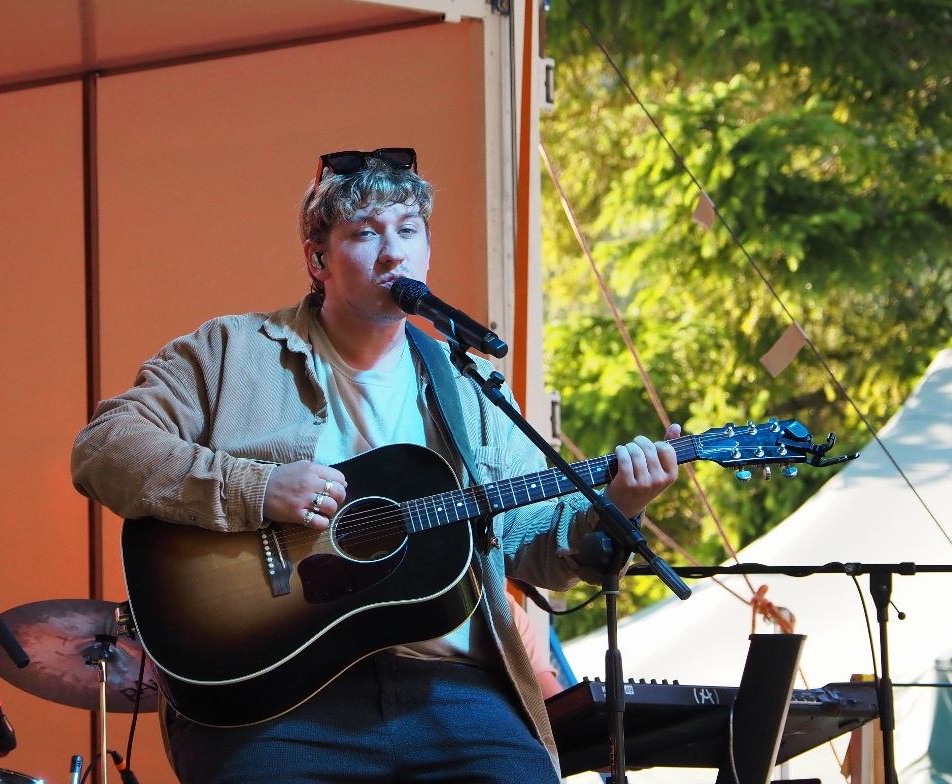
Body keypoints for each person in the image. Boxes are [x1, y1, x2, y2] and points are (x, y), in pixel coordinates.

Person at [70, 147, 681, 783]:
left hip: (454, 693)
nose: (394, 252)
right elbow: (104, 447)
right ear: (317, 258)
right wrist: (258, 487)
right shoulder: (230, 353)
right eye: (365, 233)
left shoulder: (468, 387)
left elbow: (534, 546)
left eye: (408, 230)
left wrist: (616, 508)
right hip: (273, 701)